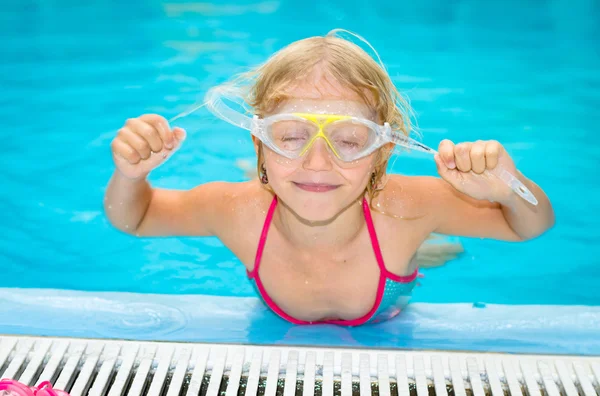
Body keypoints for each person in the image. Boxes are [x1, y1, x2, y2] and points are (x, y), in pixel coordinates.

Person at [104, 31, 554, 325]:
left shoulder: (412, 206)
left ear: (382, 153)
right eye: (291, 137)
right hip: (273, 197)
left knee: (443, 249)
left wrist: (508, 190)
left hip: (385, 231)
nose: (318, 162)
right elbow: (137, 218)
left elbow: (530, 226)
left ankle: (429, 246)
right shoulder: (237, 211)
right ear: (259, 144)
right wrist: (131, 175)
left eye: (349, 141)